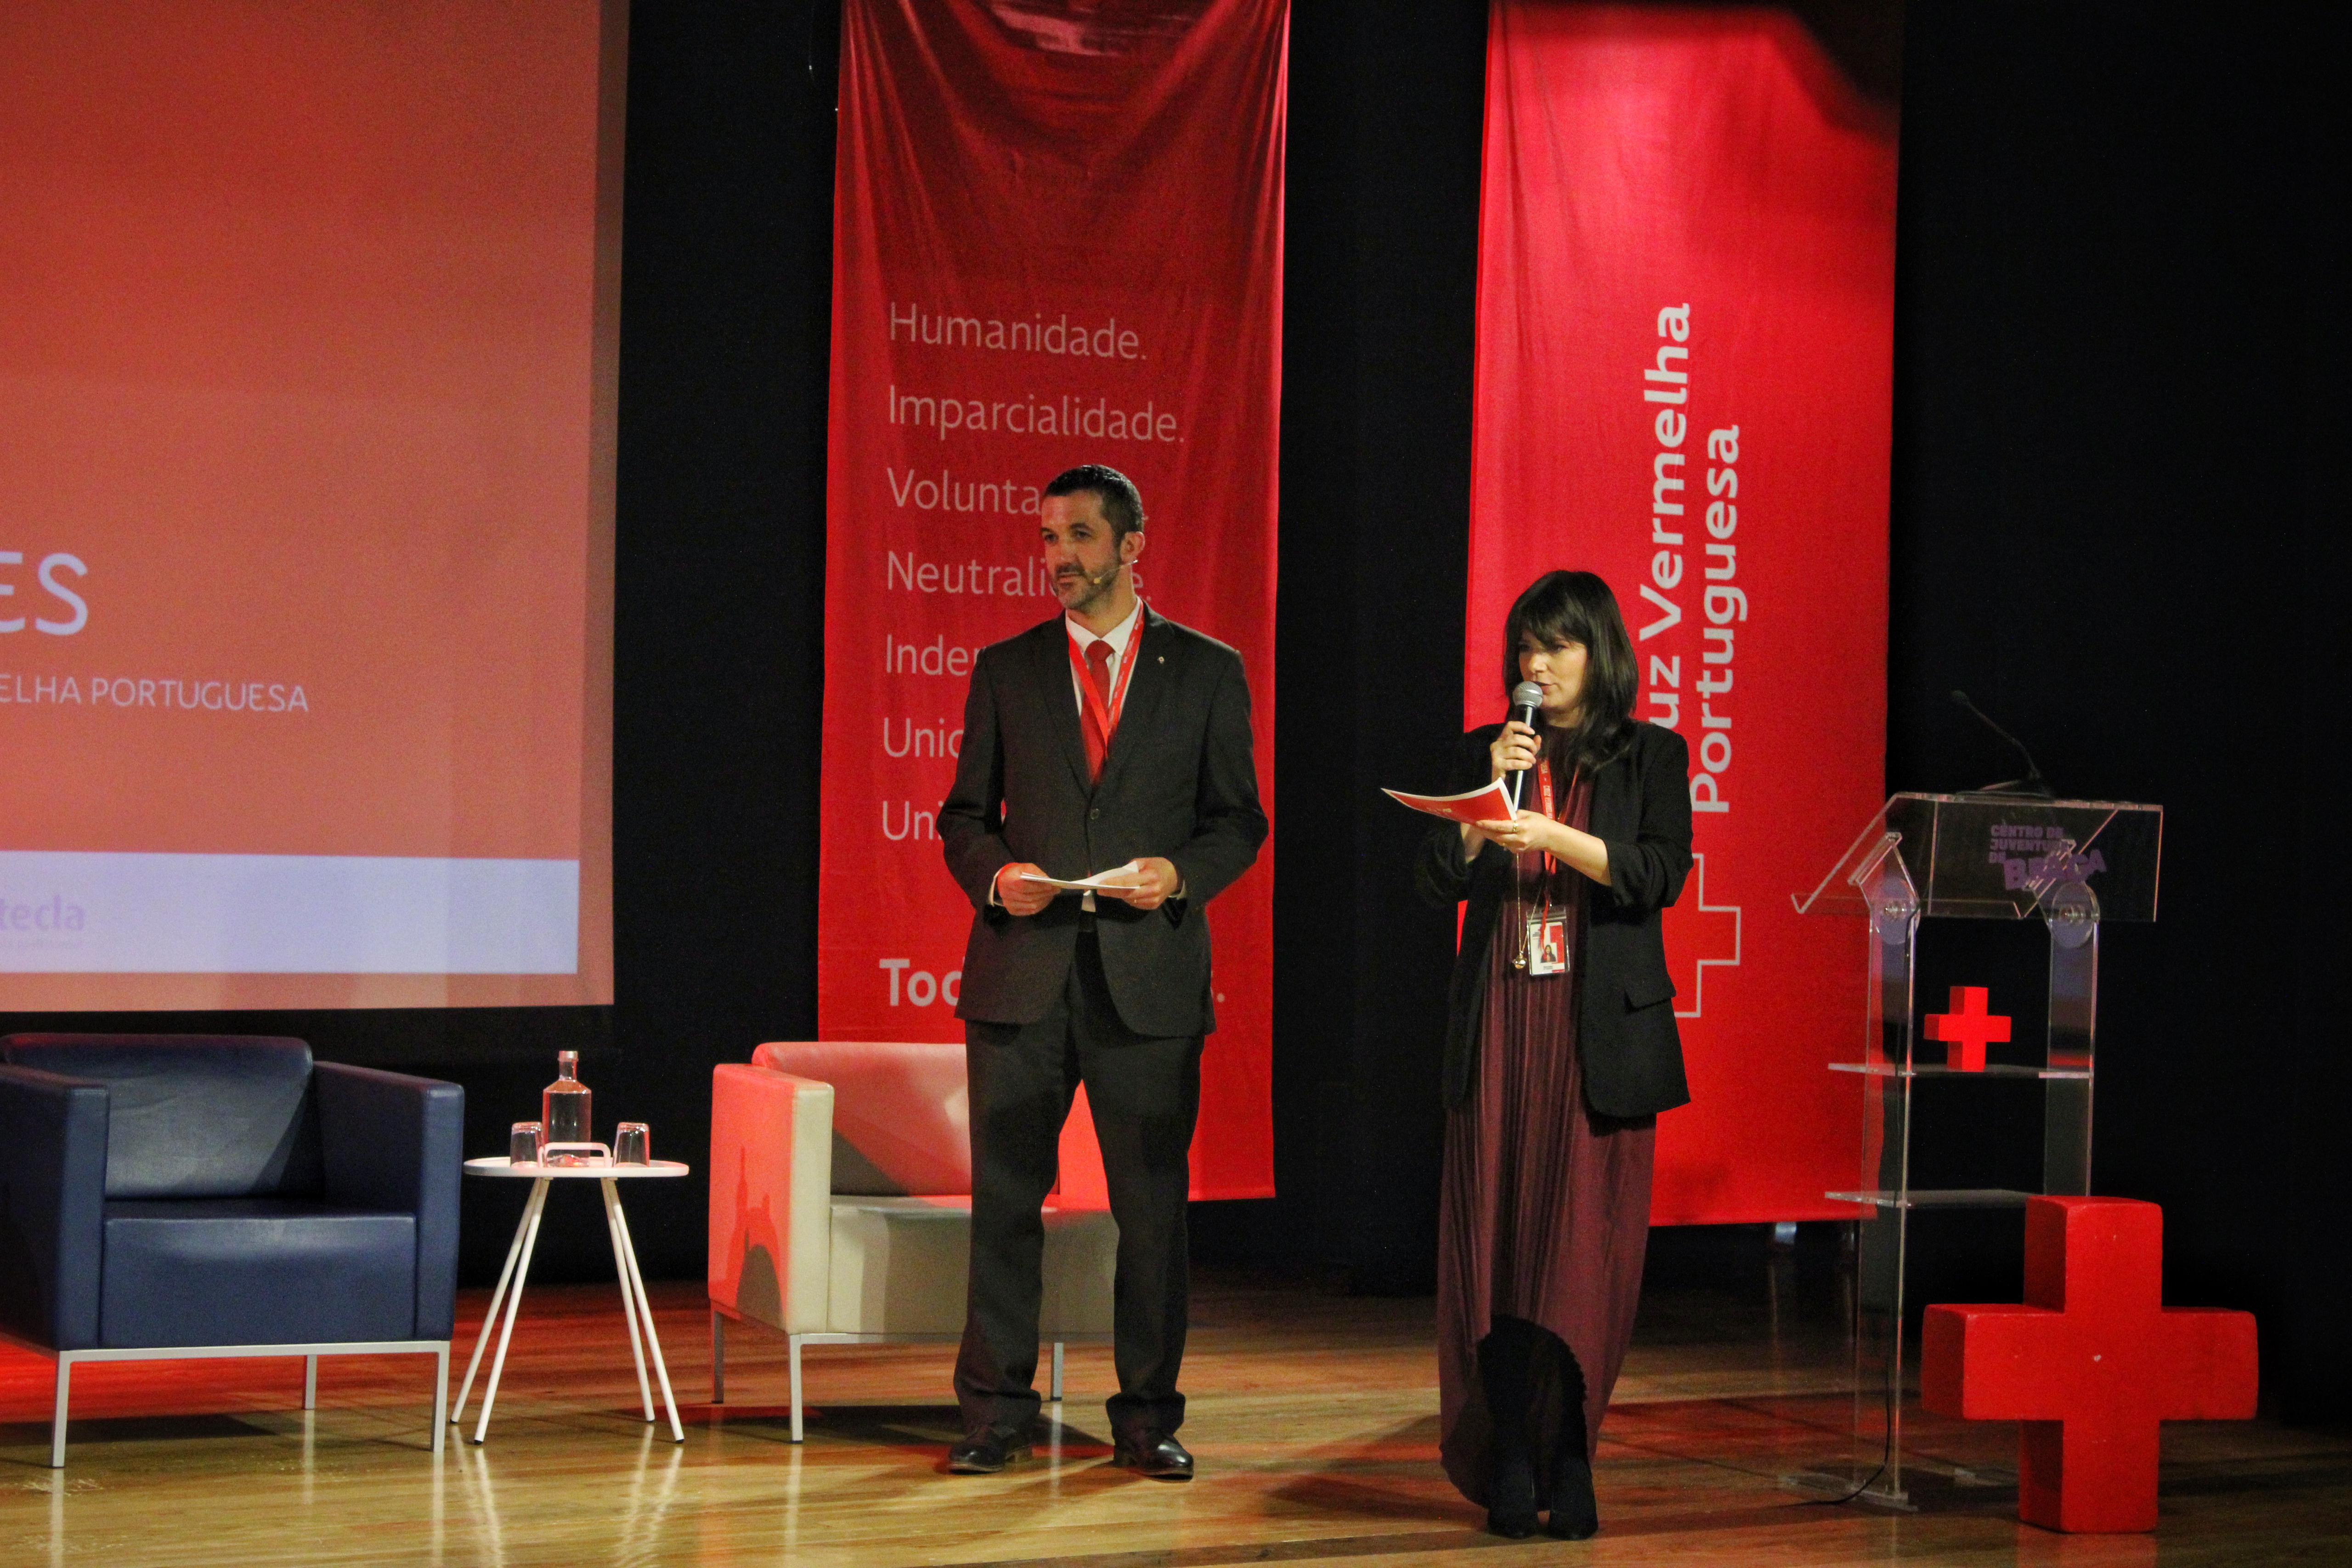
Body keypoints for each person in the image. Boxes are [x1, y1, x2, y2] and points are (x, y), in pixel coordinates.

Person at [938, 463, 1267, 1480]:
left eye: (1078, 535)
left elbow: (1238, 821)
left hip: (1148, 982)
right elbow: (964, 817)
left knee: (1152, 1215)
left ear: (1131, 546)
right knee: (1005, 1205)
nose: (1058, 556)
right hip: (1022, 978)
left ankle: (1146, 1419)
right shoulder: (1008, 668)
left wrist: (1180, 875)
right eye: (1047, 537)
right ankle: (995, 1414)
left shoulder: (1207, 671)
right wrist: (998, 879)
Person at [1413, 569, 1693, 1540]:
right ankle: (1507, 1453)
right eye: (1525, 647)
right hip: (1501, 1016)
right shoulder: (1487, 751)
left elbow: (1658, 873)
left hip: (1592, 1030)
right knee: (1496, 1241)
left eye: (1556, 645)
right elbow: (1433, 881)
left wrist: (1556, 837)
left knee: (1576, 1252)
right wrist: (1487, 806)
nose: (1535, 663)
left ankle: (1570, 1450)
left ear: (1598, 652)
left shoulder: (1653, 754)